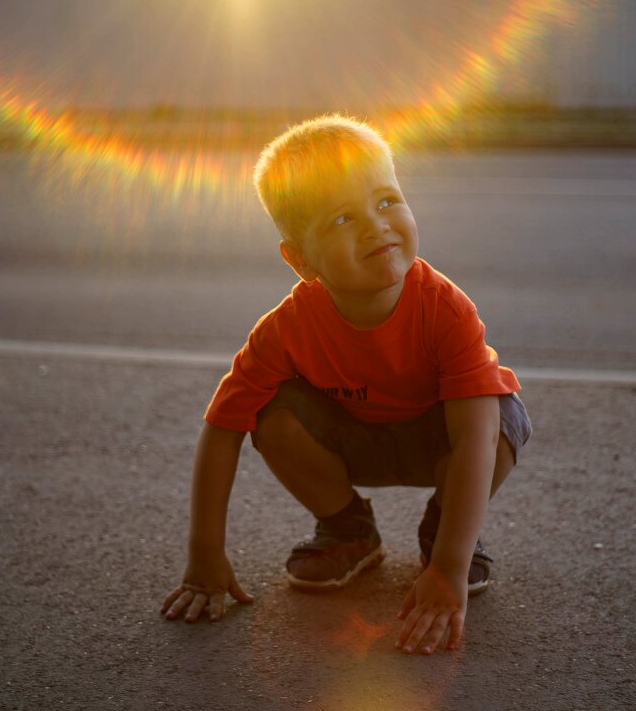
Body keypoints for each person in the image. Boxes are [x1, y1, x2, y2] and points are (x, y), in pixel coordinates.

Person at [159, 115, 531, 655]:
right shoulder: (285, 327)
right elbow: (221, 428)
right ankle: (347, 529)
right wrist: (204, 555)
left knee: (500, 415)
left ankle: (446, 530)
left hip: (442, 443)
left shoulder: (446, 310)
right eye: (341, 218)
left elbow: (474, 439)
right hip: (355, 441)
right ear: (300, 258)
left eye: (386, 202)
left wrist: (449, 569)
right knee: (268, 411)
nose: (376, 227)